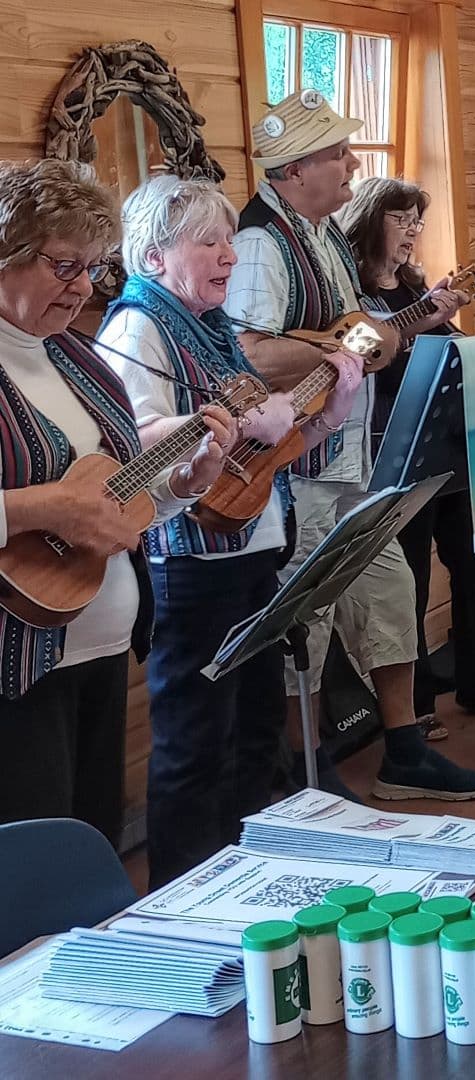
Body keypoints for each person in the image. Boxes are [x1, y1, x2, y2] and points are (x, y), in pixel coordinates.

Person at [226, 89, 475, 801]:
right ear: (290, 170)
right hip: (298, 470)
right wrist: (341, 350)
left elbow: (361, 337)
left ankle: (404, 748)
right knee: (303, 620)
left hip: (349, 461)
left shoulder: (319, 233)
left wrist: (408, 322)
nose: (350, 163)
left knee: (389, 594)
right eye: (335, 153)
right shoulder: (258, 243)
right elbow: (249, 353)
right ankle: (305, 773)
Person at [100, 175, 360, 886]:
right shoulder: (136, 327)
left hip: (250, 549)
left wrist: (328, 414)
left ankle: (251, 880)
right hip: (190, 564)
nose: (228, 256)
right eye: (207, 242)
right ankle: (185, 895)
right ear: (154, 258)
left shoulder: (212, 328)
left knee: (253, 733)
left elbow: (262, 454)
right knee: (194, 744)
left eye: (228, 240)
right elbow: (137, 440)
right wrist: (248, 420)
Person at [0, 160, 235, 847]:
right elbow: (61, 507)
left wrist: (181, 485)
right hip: (15, 671)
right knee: (34, 880)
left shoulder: (79, 358)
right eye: (64, 266)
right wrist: (36, 508)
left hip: (98, 652)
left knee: (90, 849)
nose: (82, 288)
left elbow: (110, 506)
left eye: (93, 269)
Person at [337, 176, 475, 740]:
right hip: (393, 446)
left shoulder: (411, 286)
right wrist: (423, 324)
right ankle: (415, 706)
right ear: (369, 220)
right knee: (405, 575)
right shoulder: (350, 291)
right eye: (400, 218)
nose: (412, 230)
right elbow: (364, 355)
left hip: (450, 442)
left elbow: (454, 349)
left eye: (417, 220)